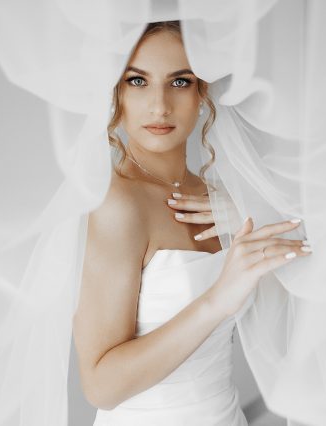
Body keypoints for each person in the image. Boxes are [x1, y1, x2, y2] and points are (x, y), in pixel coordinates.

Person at [71, 21, 313, 425]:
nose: (160, 105)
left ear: (202, 92)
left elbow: (312, 271)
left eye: (179, 82)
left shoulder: (218, 199)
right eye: (137, 81)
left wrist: (251, 216)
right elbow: (101, 386)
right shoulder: (117, 205)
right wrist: (218, 299)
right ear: (116, 94)